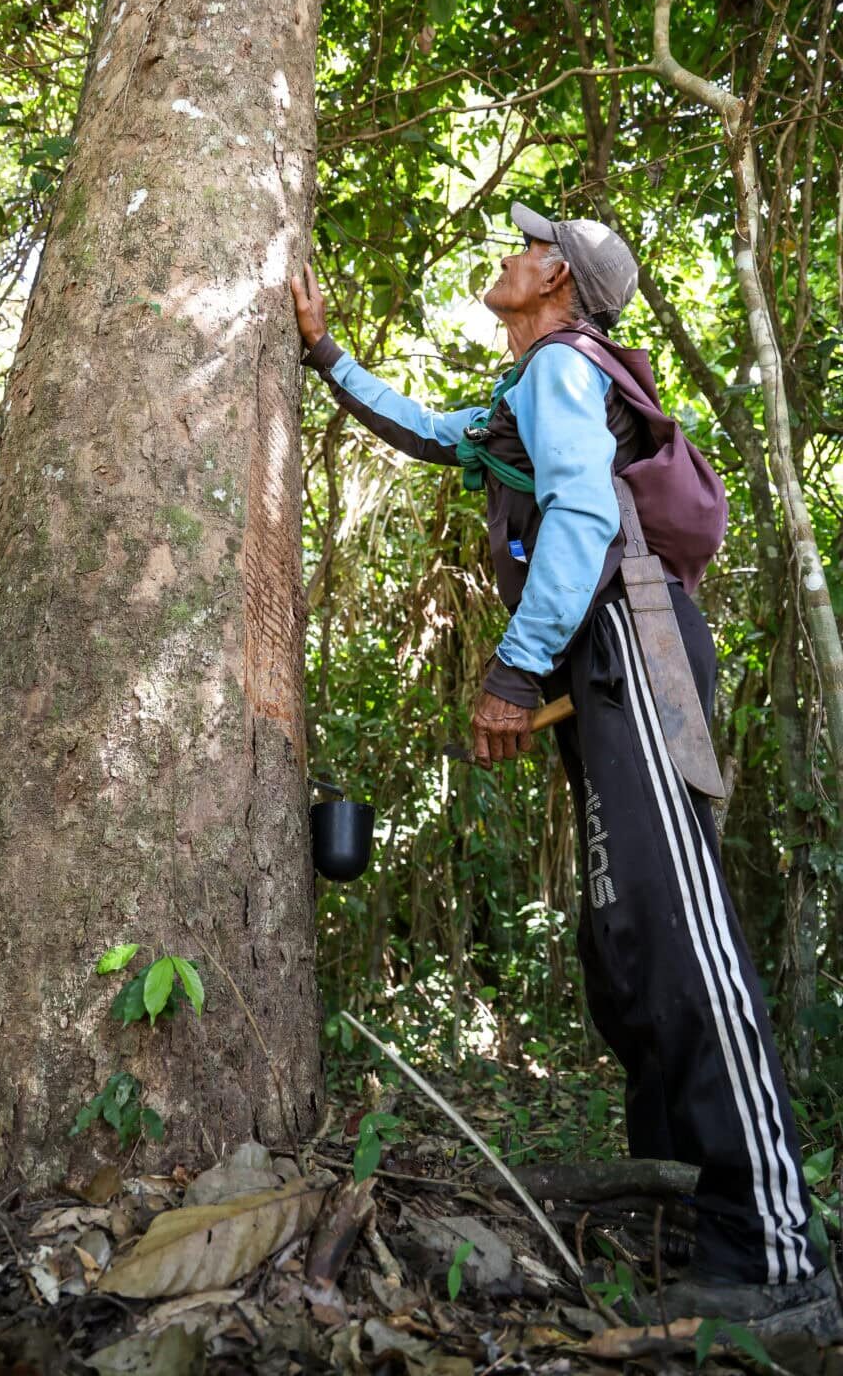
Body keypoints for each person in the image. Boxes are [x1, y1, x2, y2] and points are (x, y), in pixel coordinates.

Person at [291, 205, 840, 1336]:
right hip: (604, 658)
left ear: (555, 280)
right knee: (627, 942)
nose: (506, 250)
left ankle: (779, 1254)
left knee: (674, 932)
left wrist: (508, 669)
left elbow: (586, 512)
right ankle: (692, 1228)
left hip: (627, 643)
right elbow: (446, 435)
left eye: (524, 244)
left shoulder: (558, 369)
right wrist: (326, 355)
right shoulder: (529, 387)